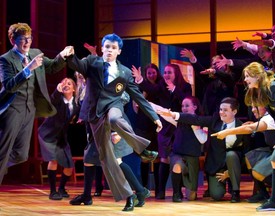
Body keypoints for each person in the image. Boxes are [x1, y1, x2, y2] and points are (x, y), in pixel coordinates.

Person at [66, 33, 162, 211]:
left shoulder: (123, 73)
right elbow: (77, 64)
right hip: (94, 121)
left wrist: (153, 116)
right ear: (102, 48)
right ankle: (95, 195)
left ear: (119, 51)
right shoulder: (92, 64)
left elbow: (134, 97)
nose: (109, 50)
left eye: (113, 47)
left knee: (113, 160)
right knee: (95, 158)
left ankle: (135, 189)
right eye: (107, 46)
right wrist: (70, 55)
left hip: (112, 123)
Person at [0, 22, 73, 184]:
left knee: (21, 155)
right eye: (22, 39)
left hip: (29, 109)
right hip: (12, 109)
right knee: (3, 152)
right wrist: (28, 69)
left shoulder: (36, 53)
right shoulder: (6, 60)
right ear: (13, 40)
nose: (27, 42)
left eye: (29, 38)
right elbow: (9, 86)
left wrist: (62, 55)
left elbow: (52, 67)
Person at [157, 97, 249, 202]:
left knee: (231, 155)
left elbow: (246, 151)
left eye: (225, 110)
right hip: (217, 165)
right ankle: (213, 187)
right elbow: (195, 119)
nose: (221, 112)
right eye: (220, 109)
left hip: (232, 164)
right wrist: (174, 115)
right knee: (216, 195)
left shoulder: (241, 126)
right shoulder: (215, 121)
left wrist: (231, 172)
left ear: (234, 111)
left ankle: (235, 192)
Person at [133, 63, 192, 199]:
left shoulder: (185, 86)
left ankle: (178, 190)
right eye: (164, 72)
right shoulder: (161, 86)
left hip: (180, 127)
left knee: (179, 158)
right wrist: (140, 79)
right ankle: (160, 191)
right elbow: (151, 89)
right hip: (165, 128)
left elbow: (187, 101)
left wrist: (175, 89)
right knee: (164, 158)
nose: (166, 75)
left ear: (176, 73)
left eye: (169, 72)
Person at [240, 62, 275, 211]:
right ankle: (274, 202)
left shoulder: (274, 87)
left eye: (248, 76)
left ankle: (274, 202)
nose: (245, 79)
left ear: (257, 76)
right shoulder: (263, 90)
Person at [151, 96, 207, 202]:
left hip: (192, 157)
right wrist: (149, 104)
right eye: (182, 106)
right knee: (176, 165)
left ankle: (188, 188)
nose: (184, 108)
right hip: (178, 154)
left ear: (195, 107)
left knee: (191, 197)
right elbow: (162, 111)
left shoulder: (201, 121)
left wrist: (195, 126)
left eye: (187, 105)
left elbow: (203, 140)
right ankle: (176, 193)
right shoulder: (179, 119)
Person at [38, 78, 80, 200]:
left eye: (69, 83)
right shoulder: (57, 100)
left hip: (61, 136)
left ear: (73, 89)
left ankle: (61, 188)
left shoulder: (76, 105)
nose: (65, 85)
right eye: (63, 83)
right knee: (54, 160)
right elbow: (52, 100)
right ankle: (53, 191)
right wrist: (57, 91)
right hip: (48, 134)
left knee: (69, 166)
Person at [131, 63, 163, 196]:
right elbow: (135, 101)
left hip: (156, 126)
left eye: (153, 72)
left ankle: (158, 190)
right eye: (149, 73)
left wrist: (140, 80)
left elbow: (153, 90)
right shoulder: (140, 87)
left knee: (156, 159)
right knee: (144, 159)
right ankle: (143, 188)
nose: (151, 75)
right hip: (142, 125)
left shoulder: (160, 86)